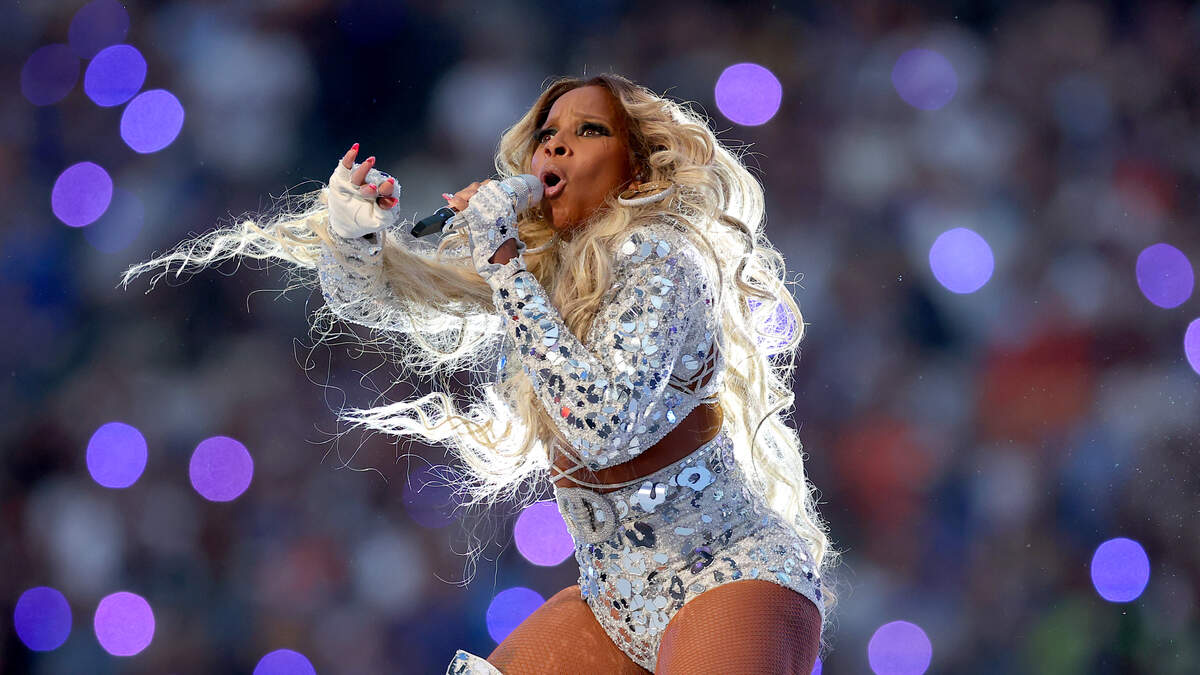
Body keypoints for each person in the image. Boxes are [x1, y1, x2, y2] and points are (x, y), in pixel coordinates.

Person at [123, 73, 836, 674]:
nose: (556, 144)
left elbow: (603, 425)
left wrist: (503, 264)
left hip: (728, 577)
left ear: (637, 169)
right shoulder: (544, 267)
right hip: (615, 604)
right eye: (547, 133)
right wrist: (355, 235)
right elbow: (379, 303)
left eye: (589, 131)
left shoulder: (665, 259)